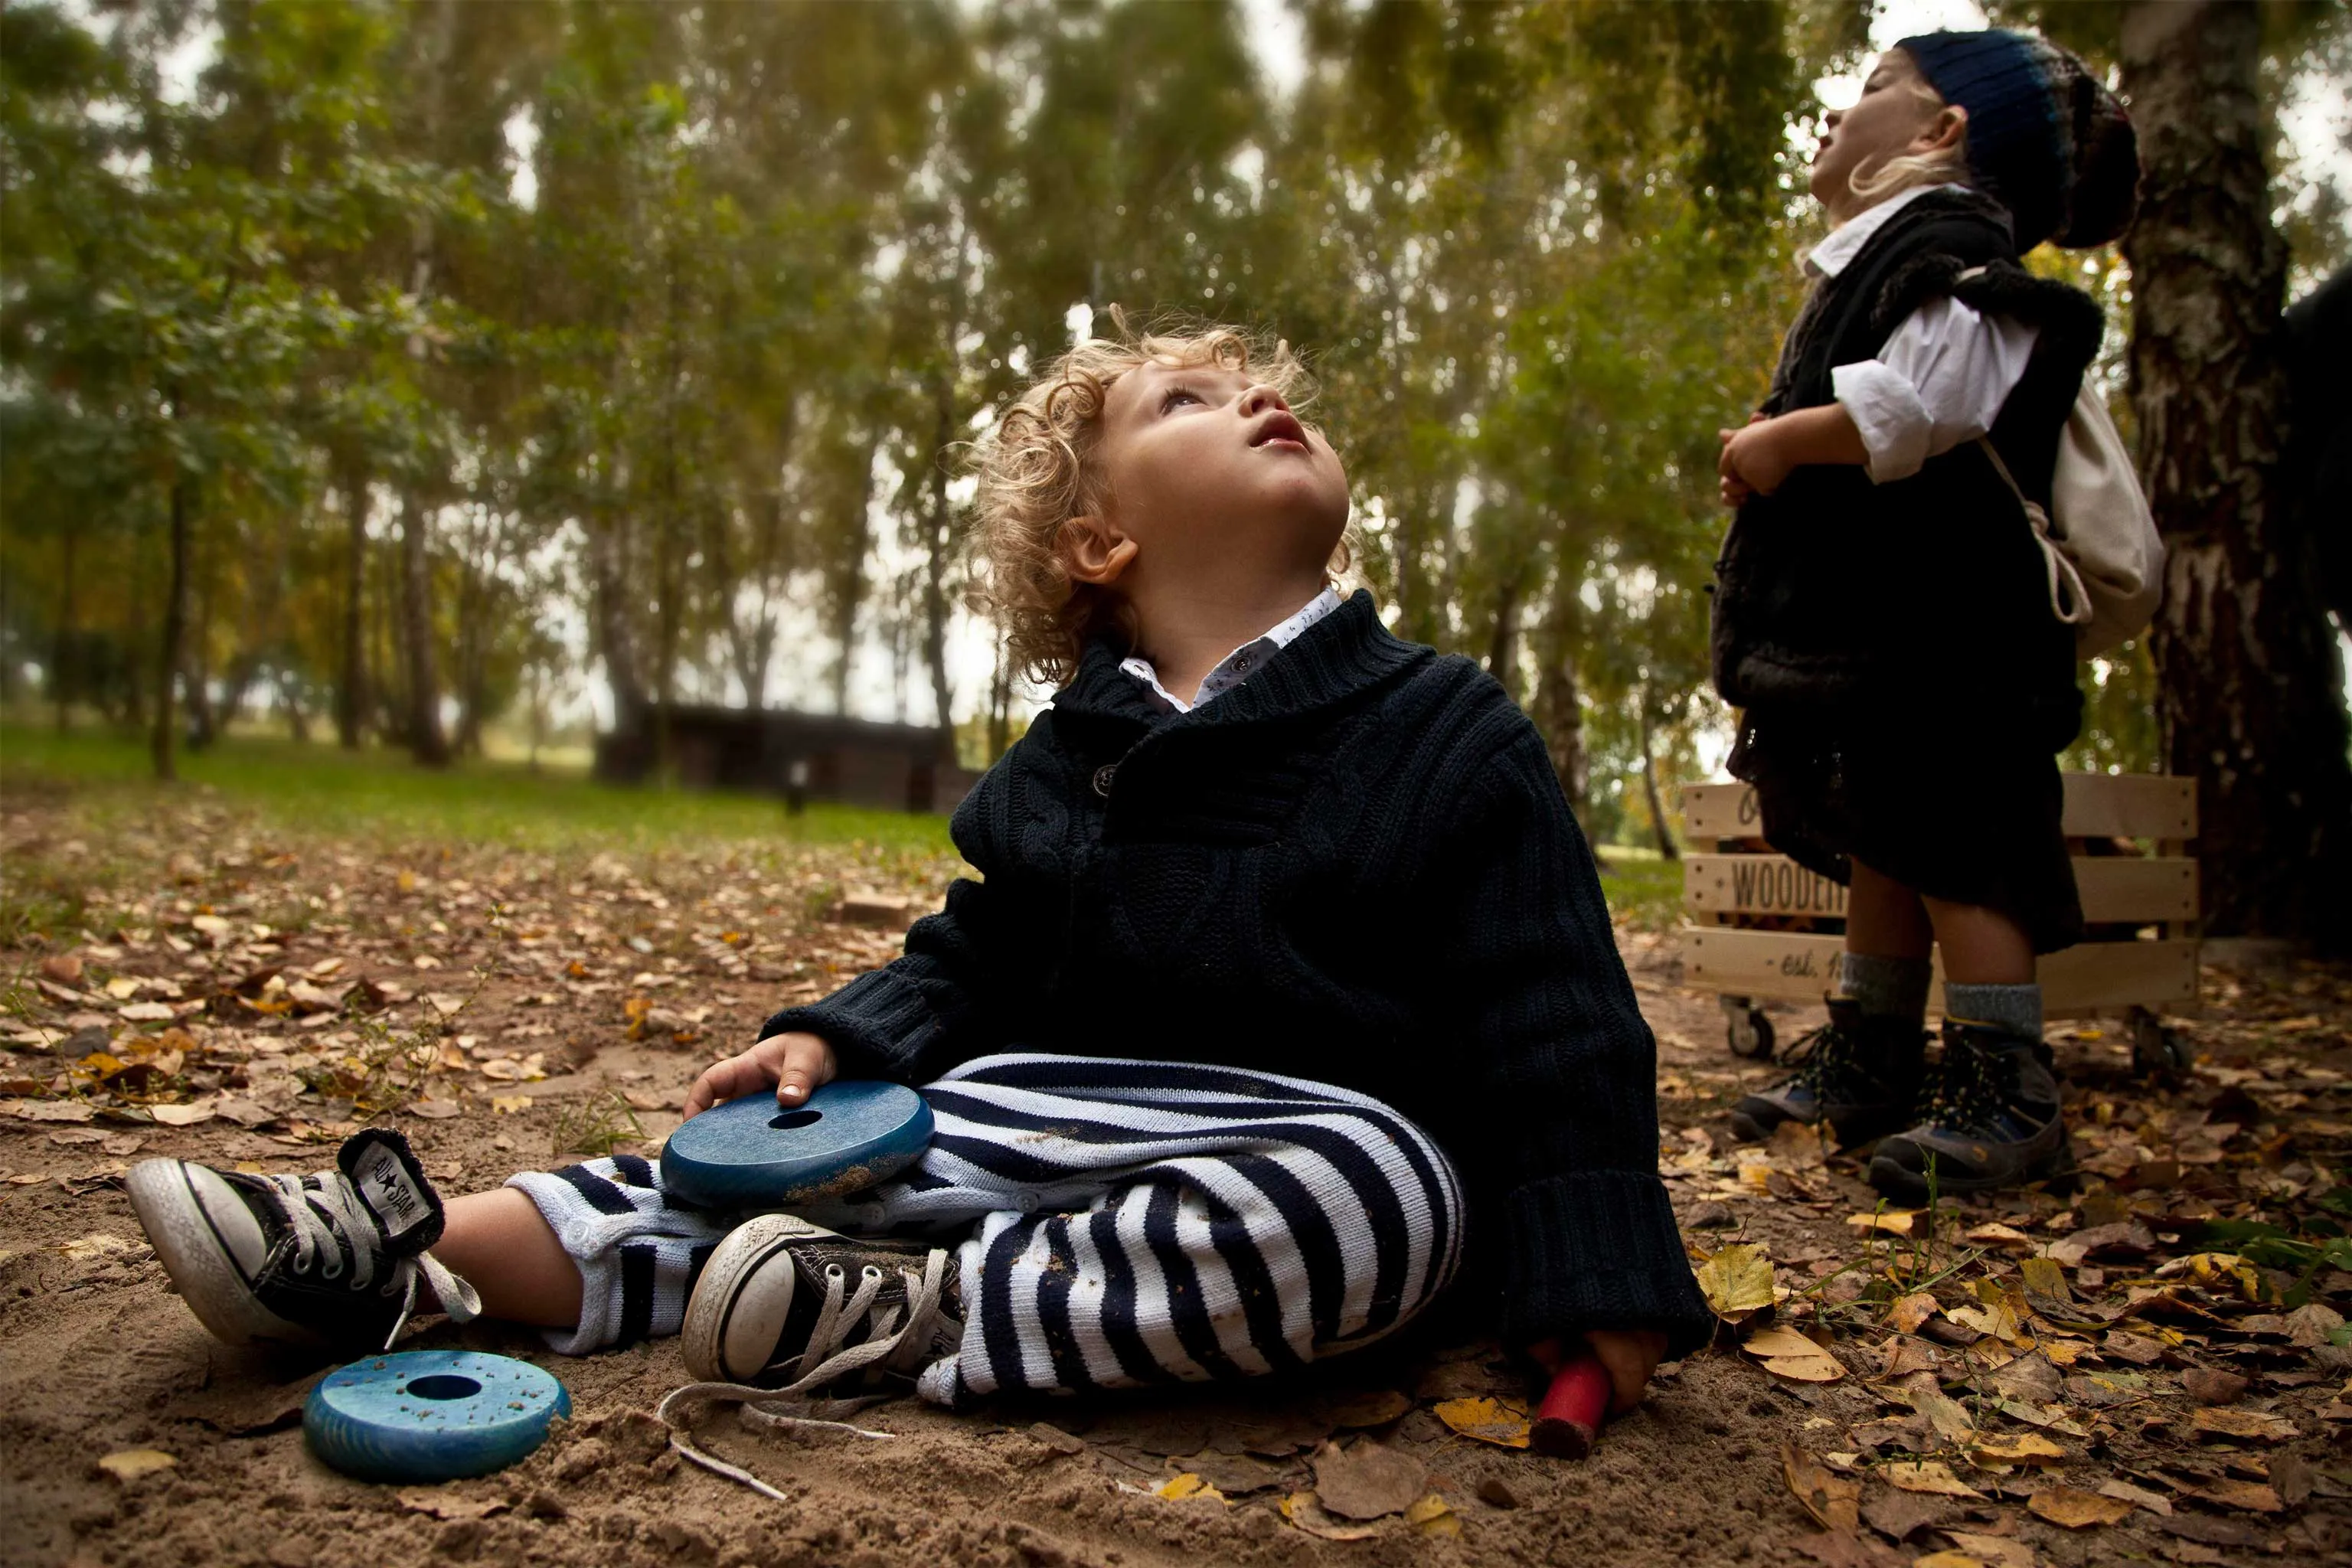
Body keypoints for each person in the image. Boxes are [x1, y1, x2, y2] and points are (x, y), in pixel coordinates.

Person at [125, 316, 1711, 1428]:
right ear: (1101, 548)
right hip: (1024, 1123)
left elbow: (1556, 1018)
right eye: (1189, 400)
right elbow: (976, 952)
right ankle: (399, 1256)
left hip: (1294, 1155)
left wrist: (1599, 1267)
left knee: (1384, 1200)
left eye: (1261, 389)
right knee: (766, 1163)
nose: (1254, 400)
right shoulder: (1070, 756)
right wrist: (841, 1040)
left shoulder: (1447, 729)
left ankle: (923, 1313)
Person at [1710, 31, 2139, 1200]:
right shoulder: (1869, 261)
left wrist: (1780, 442)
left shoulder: (1950, 248)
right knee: (1886, 842)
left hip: (1953, 638)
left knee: (1962, 848)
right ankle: (1872, 1056)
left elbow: (1923, 408)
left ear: (1942, 131)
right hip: (1885, 640)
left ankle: (2008, 1084)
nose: (1837, 118)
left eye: (1869, 93)